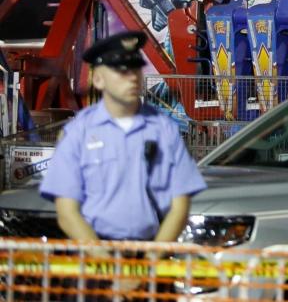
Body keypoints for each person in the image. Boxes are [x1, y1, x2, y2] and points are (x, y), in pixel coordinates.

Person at [40, 31, 206, 242]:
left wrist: (153, 257)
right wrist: (101, 257)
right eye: (121, 71)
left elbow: (180, 205)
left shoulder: (164, 130)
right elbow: (66, 211)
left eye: (135, 69)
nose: (132, 77)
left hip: (149, 251)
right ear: (99, 79)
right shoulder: (77, 133)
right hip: (94, 255)